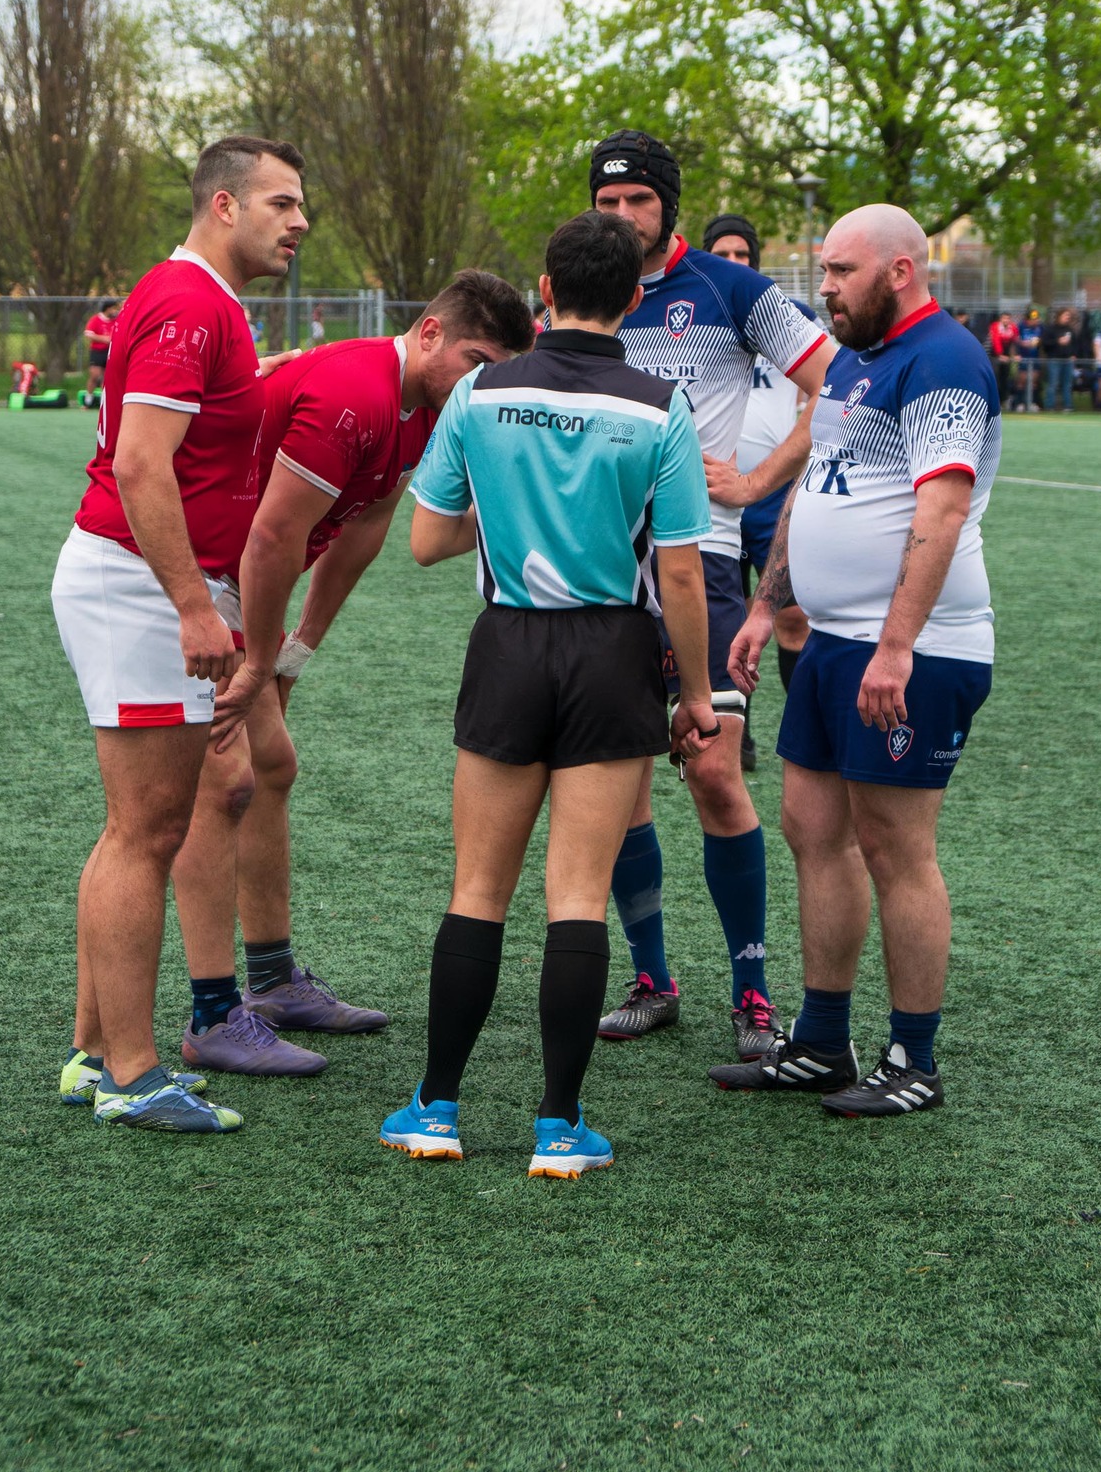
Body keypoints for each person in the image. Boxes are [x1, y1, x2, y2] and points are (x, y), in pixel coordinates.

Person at [377, 210, 717, 1177]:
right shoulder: (660, 404)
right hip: (613, 652)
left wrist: (516, 499)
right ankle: (559, 1127)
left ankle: (436, 1108)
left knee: (477, 891)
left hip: (508, 647)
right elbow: (683, 574)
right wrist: (693, 696)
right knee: (576, 898)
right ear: (637, 296)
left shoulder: (479, 391)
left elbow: (427, 540)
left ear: (545, 288)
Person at [191, 273, 536, 1067]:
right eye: (474, 359)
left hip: (236, 589)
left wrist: (295, 651)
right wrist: (254, 660)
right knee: (220, 782)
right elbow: (272, 540)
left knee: (269, 767)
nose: (479, 381)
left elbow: (365, 524)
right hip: (196, 580)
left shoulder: (423, 409)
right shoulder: (360, 392)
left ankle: (271, 979)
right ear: (427, 333)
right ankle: (210, 1012)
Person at [710, 202, 999, 1116]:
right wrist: (766, 604)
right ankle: (822, 1041)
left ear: (900, 272)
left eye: (838, 272)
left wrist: (897, 644)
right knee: (812, 830)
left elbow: (941, 513)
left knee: (893, 848)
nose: (822, 288)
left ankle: (912, 1059)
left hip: (913, 652)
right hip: (832, 642)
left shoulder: (943, 361)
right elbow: (813, 485)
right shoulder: (853, 366)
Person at [50, 135, 308, 1132]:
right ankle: (129, 1070)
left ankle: (93, 1052)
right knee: (146, 829)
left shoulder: (207, 303)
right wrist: (196, 605)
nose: (298, 223)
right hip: (139, 585)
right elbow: (140, 467)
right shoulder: (192, 299)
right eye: (281, 203)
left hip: (146, 581)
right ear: (224, 205)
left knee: (143, 824)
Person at [582, 134, 833, 1063]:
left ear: (668, 210)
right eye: (606, 207)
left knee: (718, 776)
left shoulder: (729, 292)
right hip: (598, 581)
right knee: (620, 787)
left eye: (637, 204)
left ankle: (754, 994)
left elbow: (832, 386)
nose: (620, 221)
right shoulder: (579, 296)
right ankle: (653, 979)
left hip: (706, 567)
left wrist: (760, 480)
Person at [701, 214, 815, 772]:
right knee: (729, 615)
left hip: (770, 492)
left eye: (744, 255)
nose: (734, 263)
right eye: (723, 253)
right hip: (712, 491)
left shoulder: (784, 318)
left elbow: (829, 394)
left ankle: (807, 726)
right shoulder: (695, 318)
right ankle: (735, 728)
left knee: (790, 617)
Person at [82, 298, 121, 404]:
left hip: (110, 352)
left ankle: (104, 402)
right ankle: (88, 400)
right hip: (97, 352)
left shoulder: (116, 320)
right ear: (107, 309)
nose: (115, 311)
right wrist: (104, 339)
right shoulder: (96, 319)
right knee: (95, 375)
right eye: (113, 308)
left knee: (106, 378)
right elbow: (88, 334)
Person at [1042, 307, 1078, 412]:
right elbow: (1045, 343)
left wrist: (1073, 354)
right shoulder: (1050, 329)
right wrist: (1057, 342)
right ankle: (1049, 406)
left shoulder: (1070, 330)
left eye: (1068, 316)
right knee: (1053, 383)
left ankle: (1068, 406)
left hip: (1067, 360)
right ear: (1059, 316)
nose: (1067, 318)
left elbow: (1075, 344)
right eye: (1065, 316)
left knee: (1067, 384)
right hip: (1054, 360)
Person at [986, 309, 1017, 407]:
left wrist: (1013, 355)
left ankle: (1004, 400)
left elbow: (1014, 343)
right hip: (995, 357)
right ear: (1000, 319)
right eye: (1004, 318)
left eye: (1008, 318)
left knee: (1006, 379)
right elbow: (995, 342)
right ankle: (995, 402)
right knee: (996, 379)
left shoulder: (1012, 328)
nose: (1006, 320)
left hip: (1006, 358)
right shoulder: (995, 327)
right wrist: (1000, 355)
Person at [1015, 309, 1043, 411]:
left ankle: (1032, 403)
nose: (1034, 321)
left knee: (1033, 382)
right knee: (1021, 382)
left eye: (1036, 319)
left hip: (1034, 358)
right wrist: (1022, 344)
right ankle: (1019, 403)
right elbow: (1016, 340)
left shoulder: (1039, 327)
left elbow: (1041, 340)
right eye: (1032, 319)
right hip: (1023, 358)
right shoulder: (1021, 327)